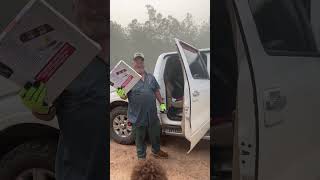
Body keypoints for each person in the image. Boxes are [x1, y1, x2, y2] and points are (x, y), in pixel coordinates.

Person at [18, 0, 108, 179]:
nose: (96, 9)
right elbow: (47, 113)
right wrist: (39, 107)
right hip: (78, 173)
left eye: (103, 3)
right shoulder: (60, 58)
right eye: (89, 3)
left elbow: (123, 97)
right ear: (75, 6)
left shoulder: (120, 59)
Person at [117, 52, 169, 160]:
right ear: (133, 64)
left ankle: (156, 151)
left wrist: (163, 106)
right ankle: (141, 158)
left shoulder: (151, 78)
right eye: (136, 61)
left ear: (143, 63)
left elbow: (157, 93)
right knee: (139, 139)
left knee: (155, 136)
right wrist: (119, 87)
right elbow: (123, 97)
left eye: (141, 61)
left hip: (152, 116)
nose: (139, 63)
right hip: (137, 117)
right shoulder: (129, 80)